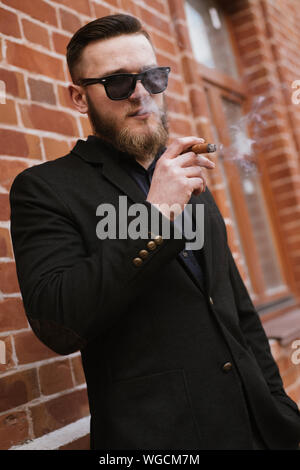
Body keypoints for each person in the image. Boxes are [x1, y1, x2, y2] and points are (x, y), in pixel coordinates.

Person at [9, 14, 300, 450]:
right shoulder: (47, 189)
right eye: (118, 84)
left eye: (152, 77)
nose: (141, 95)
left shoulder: (185, 175)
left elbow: (236, 310)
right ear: (79, 98)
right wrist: (157, 211)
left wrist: (281, 411)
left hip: (256, 428)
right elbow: (60, 324)